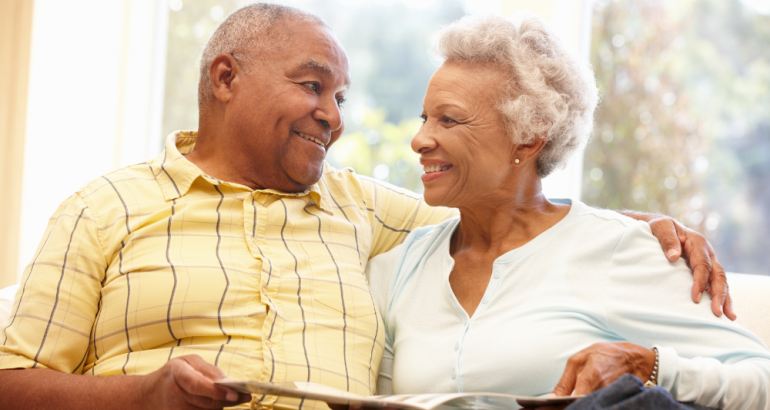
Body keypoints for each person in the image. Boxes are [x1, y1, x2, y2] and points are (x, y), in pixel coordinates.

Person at [0, 4, 734, 410]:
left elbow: (513, 217)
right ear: (225, 77)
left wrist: (639, 224)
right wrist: (142, 398)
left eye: (341, 97)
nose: (333, 115)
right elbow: (10, 382)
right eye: (312, 86)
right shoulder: (107, 208)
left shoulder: (363, 210)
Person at [366, 12, 770, 410]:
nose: (419, 139)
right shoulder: (400, 267)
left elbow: (760, 379)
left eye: (448, 120)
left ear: (528, 138)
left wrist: (654, 366)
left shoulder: (617, 250)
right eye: (425, 118)